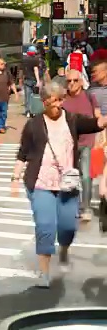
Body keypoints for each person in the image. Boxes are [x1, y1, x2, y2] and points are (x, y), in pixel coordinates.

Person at [11, 81, 107, 288]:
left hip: (67, 184)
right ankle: (44, 274)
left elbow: (95, 124)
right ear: (45, 102)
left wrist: (102, 121)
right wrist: (15, 179)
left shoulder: (72, 120)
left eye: (61, 100)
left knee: (66, 228)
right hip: (40, 183)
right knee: (45, 226)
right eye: (55, 101)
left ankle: (63, 248)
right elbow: (22, 153)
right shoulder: (34, 125)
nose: (59, 104)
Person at [61, 69, 101, 221]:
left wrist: (101, 133)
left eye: (75, 80)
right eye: (69, 81)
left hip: (87, 143)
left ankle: (86, 208)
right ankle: (72, 207)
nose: (71, 83)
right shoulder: (62, 99)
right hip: (69, 145)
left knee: (86, 176)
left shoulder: (90, 96)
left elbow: (97, 116)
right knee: (70, 177)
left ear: (81, 81)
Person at [22, 45, 42, 117]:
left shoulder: (24, 59)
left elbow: (22, 70)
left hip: (27, 79)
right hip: (33, 79)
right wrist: (38, 81)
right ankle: (33, 111)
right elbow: (35, 70)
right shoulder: (35, 60)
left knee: (27, 96)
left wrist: (21, 79)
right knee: (34, 96)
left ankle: (27, 111)